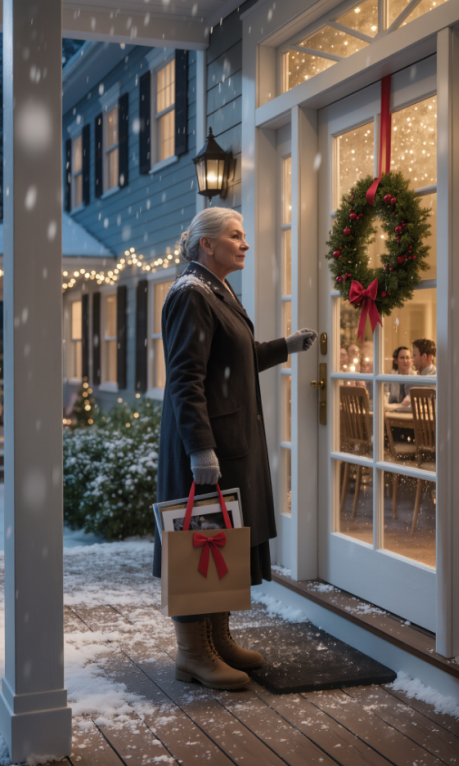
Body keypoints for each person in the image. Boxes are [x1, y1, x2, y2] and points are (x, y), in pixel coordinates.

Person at [154, 207, 317, 690]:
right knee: (198, 542)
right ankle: (193, 654)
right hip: (206, 449)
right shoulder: (191, 295)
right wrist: (200, 449)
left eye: (244, 235)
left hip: (231, 444)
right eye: (235, 236)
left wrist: (284, 346)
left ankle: (218, 639)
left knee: (221, 539)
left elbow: (234, 358)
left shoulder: (215, 289)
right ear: (207, 244)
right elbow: (186, 379)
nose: (245, 244)